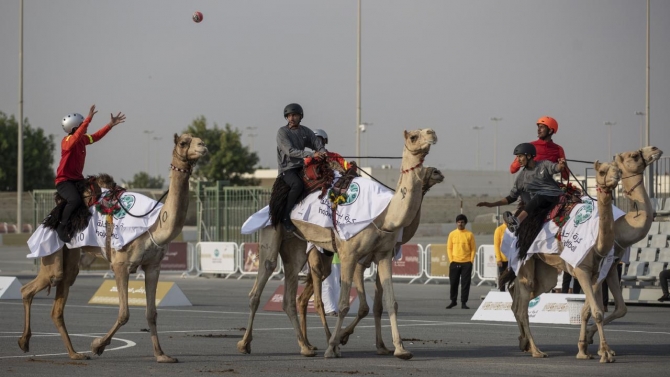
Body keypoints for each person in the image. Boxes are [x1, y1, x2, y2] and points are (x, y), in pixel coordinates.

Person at [55, 105, 126, 242]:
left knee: (97, 192)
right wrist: (88, 119)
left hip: (78, 180)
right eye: (82, 126)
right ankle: (61, 226)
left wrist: (110, 125)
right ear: (75, 128)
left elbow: (96, 136)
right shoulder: (67, 141)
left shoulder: (83, 139)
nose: (85, 128)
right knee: (74, 200)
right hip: (64, 181)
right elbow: (73, 141)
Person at [476, 143, 567, 233]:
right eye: (517, 157)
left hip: (554, 196)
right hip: (539, 203)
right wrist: (492, 204)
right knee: (527, 196)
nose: (518, 160)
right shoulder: (521, 177)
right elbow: (512, 197)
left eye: (520, 156)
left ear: (529, 156)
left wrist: (561, 165)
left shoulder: (544, 164)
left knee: (539, 195)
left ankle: (517, 221)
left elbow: (556, 168)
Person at [276, 103, 327, 232]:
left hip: (301, 167)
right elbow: (290, 151)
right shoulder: (282, 132)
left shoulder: (305, 131)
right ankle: (285, 216)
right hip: (287, 170)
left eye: (294, 115)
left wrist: (322, 152)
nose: (291, 118)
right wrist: (311, 154)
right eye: (289, 116)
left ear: (300, 116)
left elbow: (317, 143)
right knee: (298, 185)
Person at [509, 116, 569, 181]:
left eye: (542, 127)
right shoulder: (530, 146)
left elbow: (566, 176)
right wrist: (521, 158)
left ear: (550, 130)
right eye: (538, 127)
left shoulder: (558, 149)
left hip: (547, 186)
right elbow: (513, 170)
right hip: (529, 184)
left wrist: (562, 166)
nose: (538, 129)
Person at [446, 214, 476, 309]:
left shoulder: (469, 234)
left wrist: (470, 261)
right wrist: (451, 260)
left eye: (462, 222)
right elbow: (449, 248)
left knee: (465, 283)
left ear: (465, 223)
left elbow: (473, 249)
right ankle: (453, 300)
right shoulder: (452, 234)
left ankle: (464, 302)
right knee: (453, 282)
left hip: (466, 263)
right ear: (456, 223)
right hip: (455, 262)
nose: (460, 224)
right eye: (458, 222)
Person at [322, 252, 341, 316]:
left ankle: (337, 308)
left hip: (339, 258)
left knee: (337, 284)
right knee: (327, 284)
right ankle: (329, 308)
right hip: (326, 258)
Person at [493, 222, 509, 292]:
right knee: (502, 277)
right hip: (503, 259)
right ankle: (502, 292)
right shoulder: (499, 229)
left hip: (511, 258)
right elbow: (496, 245)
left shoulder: (514, 228)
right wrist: (498, 259)